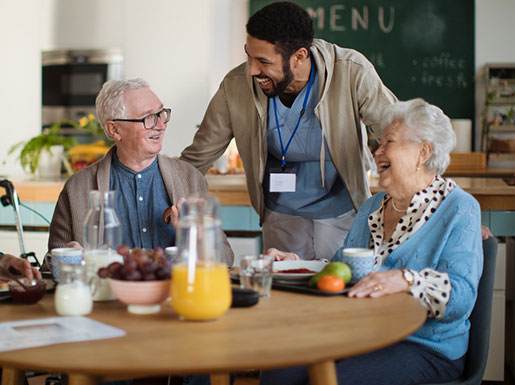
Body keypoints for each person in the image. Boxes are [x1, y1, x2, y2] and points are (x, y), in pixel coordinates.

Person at [260, 98, 483, 385]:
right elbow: (343, 269)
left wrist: (406, 280)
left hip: (424, 346)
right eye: (377, 143)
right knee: (279, 368)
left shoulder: (459, 209)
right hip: (362, 333)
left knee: (333, 381)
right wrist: (296, 264)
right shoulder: (372, 206)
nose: (377, 152)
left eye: (388, 141)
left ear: (423, 152)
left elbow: (462, 298)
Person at [179, 2, 397, 260]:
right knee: (285, 290)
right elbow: (197, 157)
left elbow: (397, 132)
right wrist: (172, 199)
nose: (251, 70)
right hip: (280, 213)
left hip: (342, 211)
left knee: (339, 288)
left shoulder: (350, 71)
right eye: (248, 55)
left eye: (263, 61)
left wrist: (397, 198)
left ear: (299, 56)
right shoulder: (236, 87)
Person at [48, 78, 234, 266]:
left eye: (161, 113)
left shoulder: (190, 178)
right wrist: (67, 257)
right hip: (107, 294)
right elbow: (49, 266)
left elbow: (225, 259)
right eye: (148, 118)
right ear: (114, 130)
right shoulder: (77, 188)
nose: (161, 125)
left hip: (175, 294)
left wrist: (194, 238)